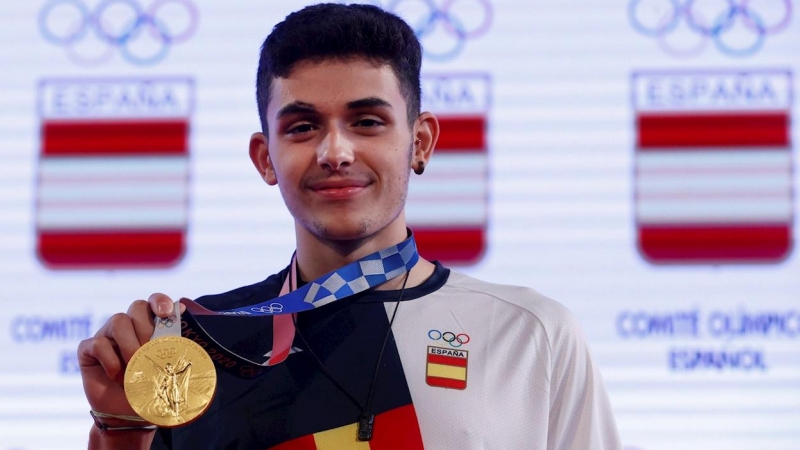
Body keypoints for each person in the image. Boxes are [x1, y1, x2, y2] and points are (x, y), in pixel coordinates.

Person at [77, 3, 621, 449]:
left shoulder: (530, 335)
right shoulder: (199, 348)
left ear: (420, 142)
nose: (335, 151)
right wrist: (122, 427)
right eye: (303, 126)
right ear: (265, 158)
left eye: (367, 122)